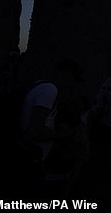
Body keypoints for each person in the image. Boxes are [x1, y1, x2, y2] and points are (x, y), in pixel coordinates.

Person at [18, 58, 87, 198]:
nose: (72, 85)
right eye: (73, 80)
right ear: (66, 75)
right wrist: (63, 135)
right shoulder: (50, 90)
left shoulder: (40, 85)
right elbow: (35, 129)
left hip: (34, 153)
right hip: (34, 155)